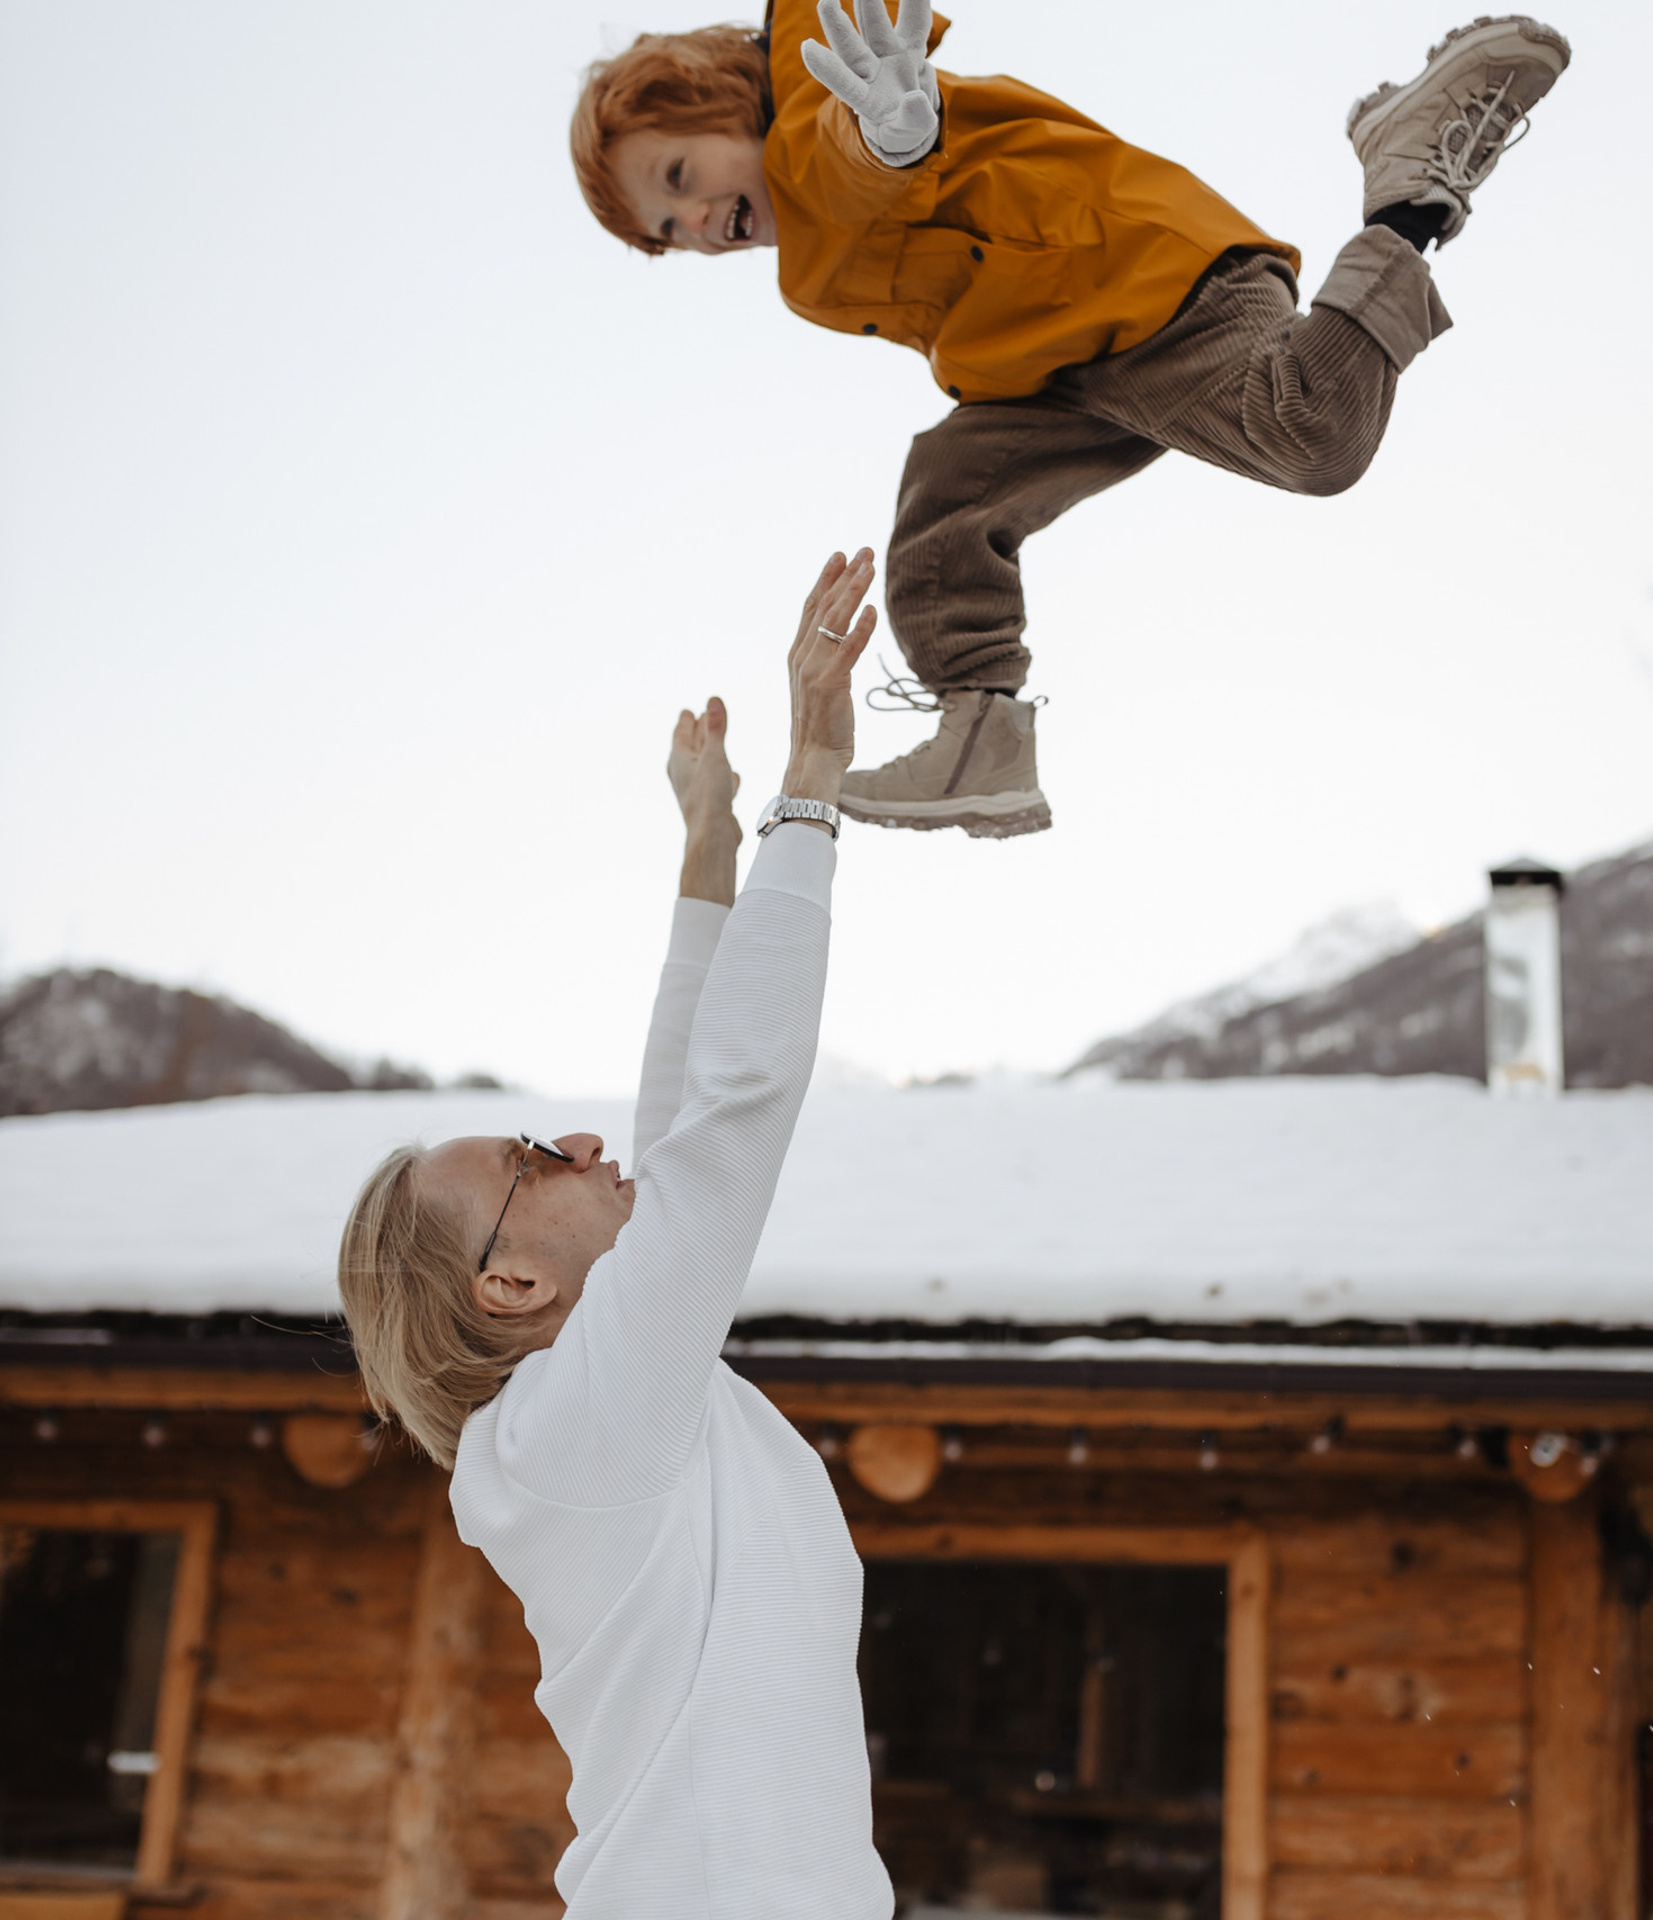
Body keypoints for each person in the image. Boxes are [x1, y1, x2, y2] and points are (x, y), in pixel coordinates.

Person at [569, 4, 1569, 837]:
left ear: (718, 103)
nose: (696, 224)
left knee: (1312, 431)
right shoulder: (805, 273)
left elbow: (842, 165)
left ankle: (1407, 198)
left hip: (1141, 287)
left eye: (679, 177)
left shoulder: (825, 110)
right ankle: (980, 739)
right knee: (945, 509)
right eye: (670, 233)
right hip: (1051, 360)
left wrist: (888, 136)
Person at [336, 549, 895, 1920]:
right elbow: (725, 1127)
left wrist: (707, 862)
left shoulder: (609, 1420)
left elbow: (679, 1134)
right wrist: (810, 787)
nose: (583, 1143)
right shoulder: (578, 1435)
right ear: (513, 1282)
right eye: (537, 1160)